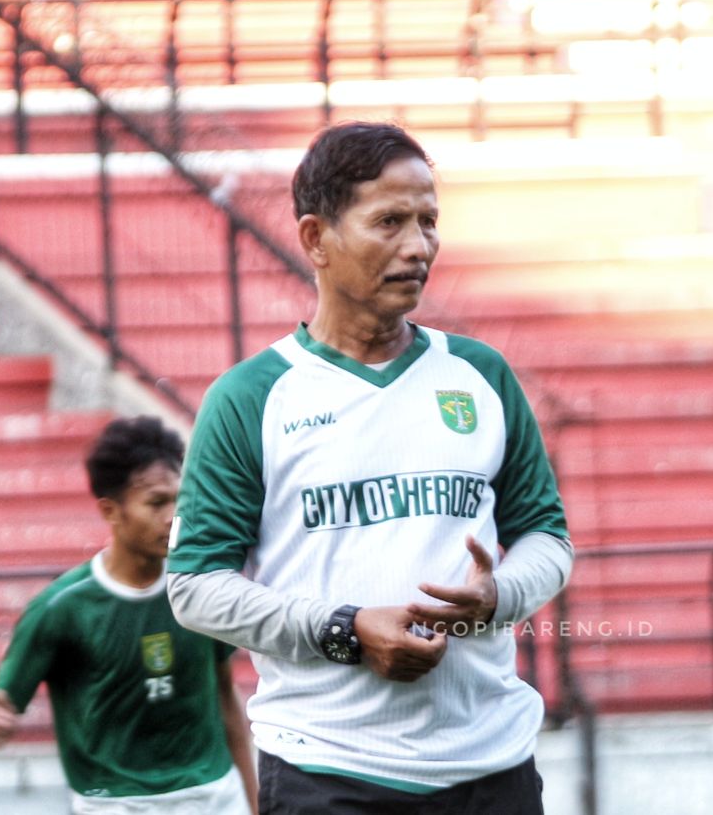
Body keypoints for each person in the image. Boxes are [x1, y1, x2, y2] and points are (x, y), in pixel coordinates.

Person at [167, 121, 574, 815]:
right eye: (389, 221)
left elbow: (548, 539)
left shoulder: (480, 374)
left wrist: (498, 597)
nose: (418, 247)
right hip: (327, 771)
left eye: (428, 221)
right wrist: (345, 630)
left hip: (492, 769)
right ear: (315, 239)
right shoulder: (252, 397)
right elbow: (195, 586)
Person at [0, 415, 258, 814]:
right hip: (116, 804)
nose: (173, 515)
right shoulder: (61, 609)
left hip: (213, 797)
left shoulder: (202, 589)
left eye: (179, 498)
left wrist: (254, 800)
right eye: (157, 502)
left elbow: (225, 696)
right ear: (110, 511)